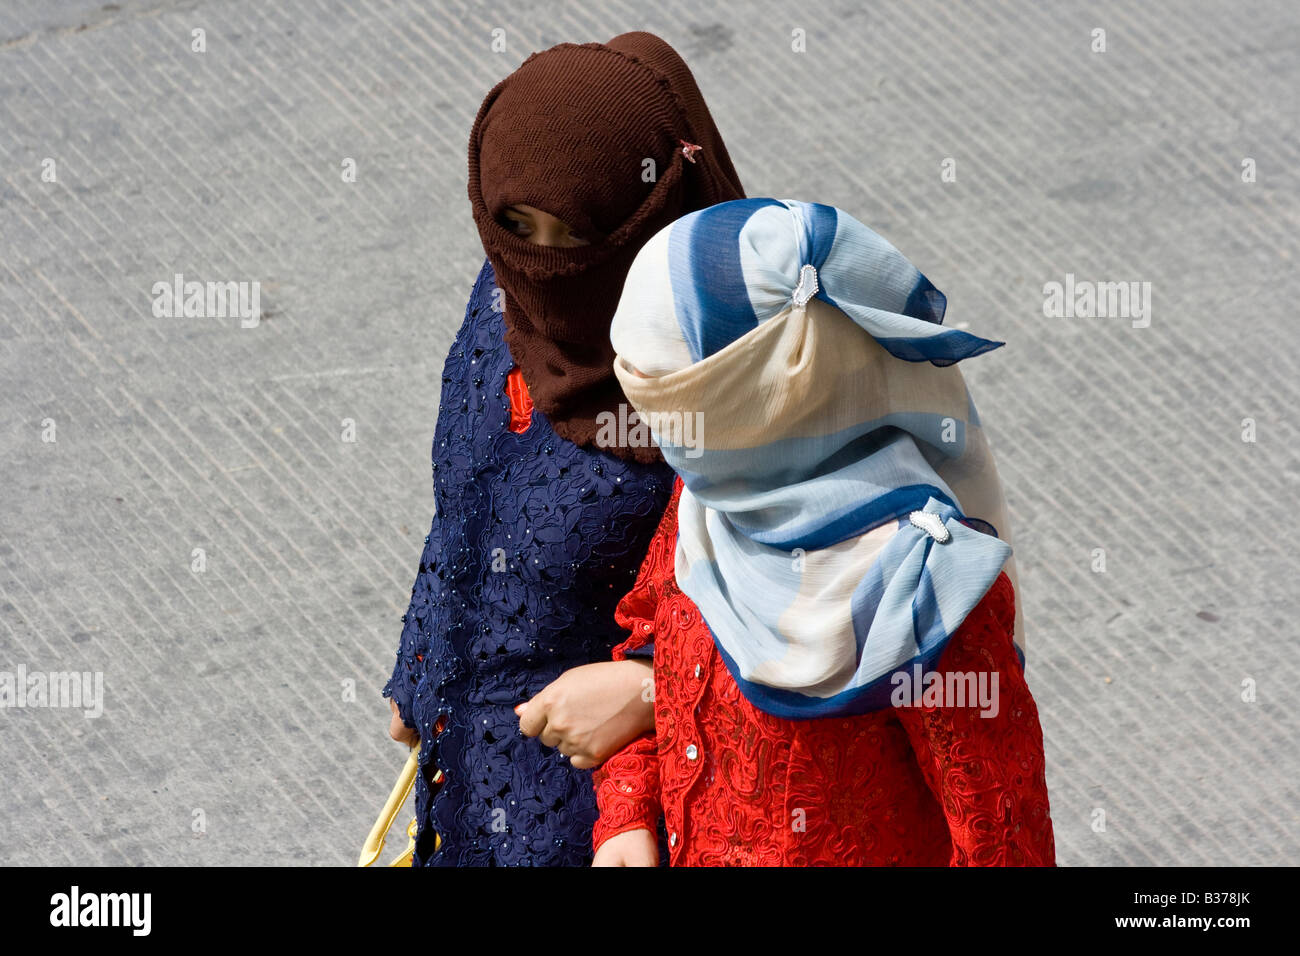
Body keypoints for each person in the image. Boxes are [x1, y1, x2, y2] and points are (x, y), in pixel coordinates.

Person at [590, 198, 1055, 866]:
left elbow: (1002, 841)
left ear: (747, 398)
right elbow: (651, 653)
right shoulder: (710, 505)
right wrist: (628, 817)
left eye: (669, 397)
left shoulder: (925, 592)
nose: (663, 433)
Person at [381, 32, 745, 866]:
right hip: (461, 781)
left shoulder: (724, 381)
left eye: (571, 231)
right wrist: (422, 659)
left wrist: (651, 694)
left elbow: (803, 626)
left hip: (609, 824)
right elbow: (464, 505)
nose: (541, 263)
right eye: (515, 224)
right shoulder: (506, 300)